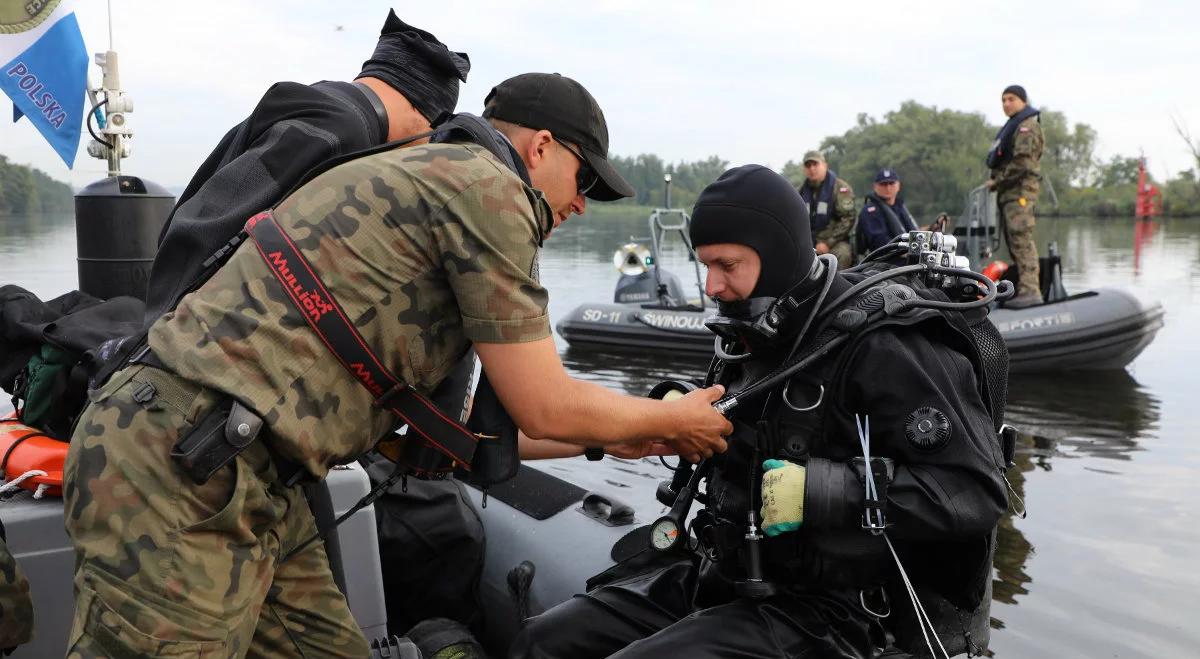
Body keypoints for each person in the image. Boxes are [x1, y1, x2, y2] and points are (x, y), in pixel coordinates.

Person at [62, 72, 732, 657]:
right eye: (584, 178)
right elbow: (543, 401)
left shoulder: (433, 176)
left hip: (252, 476)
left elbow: (461, 436)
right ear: (542, 146)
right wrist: (672, 417)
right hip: (181, 467)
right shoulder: (492, 190)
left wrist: (624, 430)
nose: (583, 201)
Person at [511, 165, 1009, 659]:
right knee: (542, 641)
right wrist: (675, 411)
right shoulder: (747, 334)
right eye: (705, 265)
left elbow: (976, 492)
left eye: (727, 266)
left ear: (775, 256)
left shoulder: (884, 346)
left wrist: (819, 490)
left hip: (832, 613)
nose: (712, 285)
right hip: (727, 574)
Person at [143, 10, 471, 324]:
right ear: (418, 112)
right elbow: (211, 225)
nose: (424, 148)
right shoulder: (343, 132)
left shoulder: (328, 102)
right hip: (185, 332)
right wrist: (162, 332)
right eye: (431, 133)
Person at [986, 84, 1044, 309]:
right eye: (1003, 100)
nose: (1006, 104)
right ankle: (1023, 288)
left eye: (1011, 99)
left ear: (1023, 101)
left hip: (1019, 194)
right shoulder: (1015, 125)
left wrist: (997, 181)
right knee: (1013, 243)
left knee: (1021, 241)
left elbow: (1023, 163)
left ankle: (1030, 291)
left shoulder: (1026, 126)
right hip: (1009, 195)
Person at [798, 150, 856, 269]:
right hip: (808, 243)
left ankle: (839, 287)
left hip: (835, 242)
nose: (812, 168)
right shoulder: (800, 192)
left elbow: (848, 219)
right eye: (808, 165)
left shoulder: (840, 188)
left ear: (825, 165)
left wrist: (827, 242)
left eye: (815, 164)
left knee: (842, 254)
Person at [855, 167, 918, 254]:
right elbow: (879, 243)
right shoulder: (870, 211)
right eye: (883, 184)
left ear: (898, 186)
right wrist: (907, 251)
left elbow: (913, 231)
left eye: (891, 183)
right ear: (875, 187)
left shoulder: (900, 206)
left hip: (905, 254)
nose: (888, 188)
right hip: (885, 260)